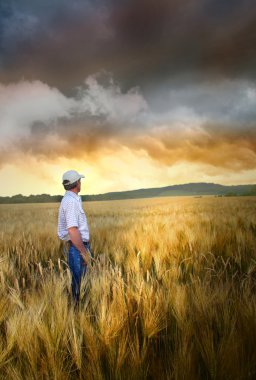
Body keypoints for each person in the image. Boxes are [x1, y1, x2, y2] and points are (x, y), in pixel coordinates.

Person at [57, 169, 93, 305]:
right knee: (79, 286)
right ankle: (78, 313)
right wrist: (84, 252)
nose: (80, 182)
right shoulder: (71, 202)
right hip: (78, 249)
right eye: (79, 180)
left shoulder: (71, 199)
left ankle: (78, 311)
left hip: (76, 247)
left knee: (80, 284)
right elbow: (72, 230)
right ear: (76, 183)